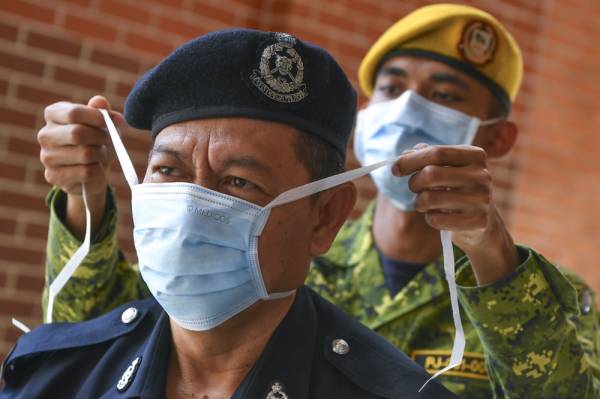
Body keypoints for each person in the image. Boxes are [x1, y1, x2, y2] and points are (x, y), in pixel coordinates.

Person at [30, 4, 599, 399]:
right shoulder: (273, 247)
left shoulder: (536, 300)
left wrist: (490, 253)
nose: (407, 110)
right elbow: (95, 350)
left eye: (444, 97)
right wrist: (86, 197)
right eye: (393, 87)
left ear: (495, 138)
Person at [0, 29, 457, 398]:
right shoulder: (57, 376)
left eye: (239, 182)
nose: (189, 208)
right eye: (167, 171)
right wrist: (83, 194)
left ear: (325, 218)